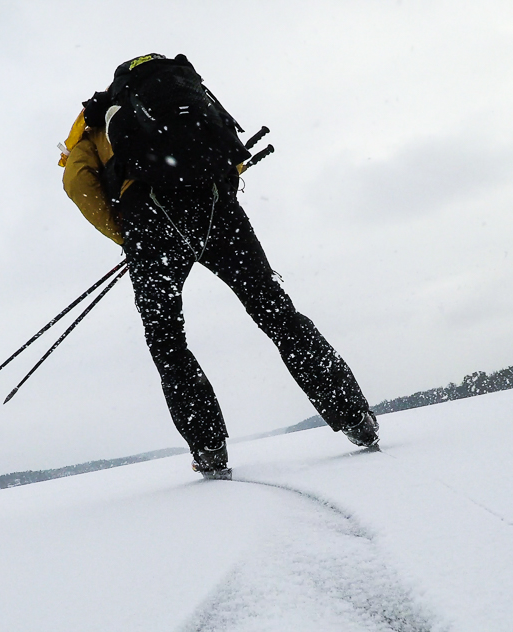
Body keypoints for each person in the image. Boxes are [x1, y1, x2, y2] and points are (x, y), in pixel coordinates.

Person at [60, 53, 378, 478]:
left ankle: (209, 448)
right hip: (215, 208)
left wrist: (127, 236)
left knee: (168, 342)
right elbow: (224, 149)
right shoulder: (188, 94)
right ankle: (354, 417)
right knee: (276, 312)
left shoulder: (93, 124)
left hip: (149, 224)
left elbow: (77, 182)